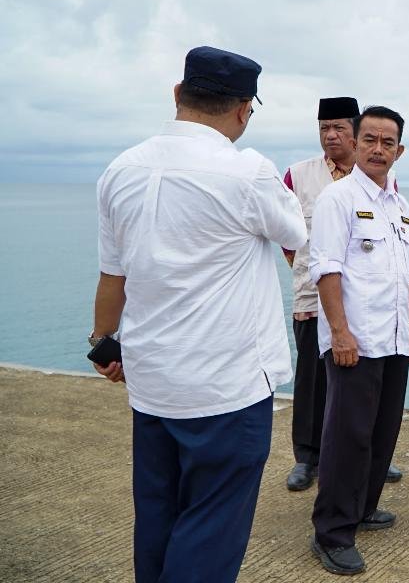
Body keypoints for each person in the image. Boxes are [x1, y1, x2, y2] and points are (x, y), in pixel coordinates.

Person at [90, 46, 307, 582]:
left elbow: (112, 276)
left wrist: (103, 343)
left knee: (159, 517)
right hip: (225, 387)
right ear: (242, 110)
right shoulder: (248, 172)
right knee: (212, 528)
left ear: (177, 94)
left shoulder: (120, 170)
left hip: (153, 382)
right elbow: (296, 234)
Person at [307, 105, 409, 576]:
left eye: (388, 142)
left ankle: (363, 507)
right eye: (370, 139)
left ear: (400, 150)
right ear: (355, 143)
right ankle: (331, 532)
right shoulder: (337, 199)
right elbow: (326, 269)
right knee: (347, 437)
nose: (379, 149)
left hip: (394, 338)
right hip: (355, 340)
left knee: (382, 432)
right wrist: (339, 333)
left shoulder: (400, 204)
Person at [282, 97, 404, 491]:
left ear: (355, 136)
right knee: (312, 380)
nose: (331, 135)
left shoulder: (376, 178)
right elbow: (287, 236)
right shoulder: (297, 175)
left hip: (363, 306)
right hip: (311, 295)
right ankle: (307, 456)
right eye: (323, 128)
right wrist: (305, 269)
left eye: (339, 128)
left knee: (362, 389)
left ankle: (366, 457)